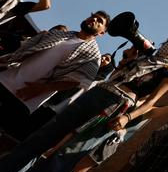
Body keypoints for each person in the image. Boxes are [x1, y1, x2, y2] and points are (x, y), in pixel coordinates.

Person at [0, 38, 168, 172]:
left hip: (116, 105)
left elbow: (151, 103)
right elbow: (117, 75)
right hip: (99, 92)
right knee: (43, 136)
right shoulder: (144, 58)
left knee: (65, 155)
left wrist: (127, 117)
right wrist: (128, 59)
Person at [0, 11, 109, 139]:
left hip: (26, 97)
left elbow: (76, 81)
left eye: (100, 21)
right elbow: (24, 49)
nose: (94, 19)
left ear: (102, 33)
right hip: (6, 78)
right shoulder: (59, 34)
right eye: (93, 16)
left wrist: (42, 88)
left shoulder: (93, 56)